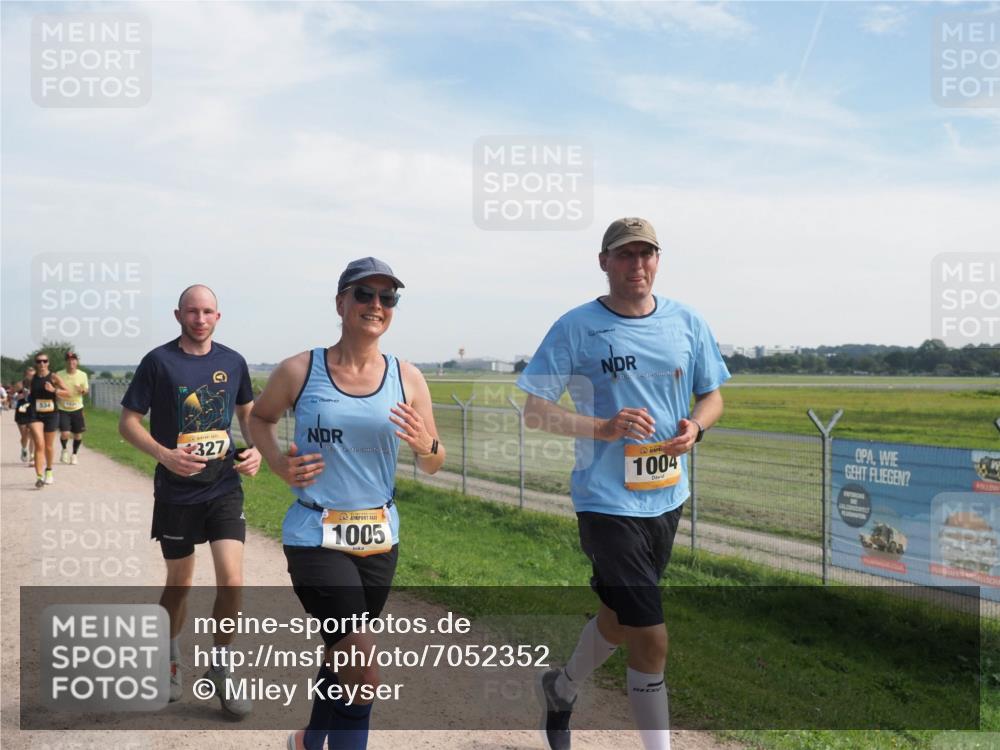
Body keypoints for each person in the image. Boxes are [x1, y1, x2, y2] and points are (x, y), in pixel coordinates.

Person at [517, 217, 730, 750]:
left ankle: (561, 687)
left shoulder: (687, 321)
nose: (637, 264)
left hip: (667, 497)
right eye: (625, 254)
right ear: (604, 262)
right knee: (651, 637)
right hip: (606, 502)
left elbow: (713, 395)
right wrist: (603, 428)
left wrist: (696, 427)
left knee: (617, 619)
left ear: (657, 260)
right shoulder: (576, 327)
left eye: (646, 253)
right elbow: (536, 411)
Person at [248, 257, 445, 750]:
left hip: (379, 537)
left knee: (342, 655)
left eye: (387, 297)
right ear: (341, 303)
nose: (376, 304)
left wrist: (426, 445)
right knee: (362, 667)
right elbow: (260, 418)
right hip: (315, 534)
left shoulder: (408, 377)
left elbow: (434, 461)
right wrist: (278, 463)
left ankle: (309, 740)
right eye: (364, 294)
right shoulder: (300, 369)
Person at [118, 284, 262, 716]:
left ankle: (221, 666)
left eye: (208, 312)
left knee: (232, 581)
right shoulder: (158, 361)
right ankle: (169, 658)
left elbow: (247, 412)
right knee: (179, 584)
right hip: (176, 492)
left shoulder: (233, 362)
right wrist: (164, 455)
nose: (200, 319)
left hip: (223, 487)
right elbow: (128, 423)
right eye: (192, 311)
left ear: (218, 316)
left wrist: (256, 448)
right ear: (178, 315)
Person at [28, 353, 69, 488]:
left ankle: (49, 470)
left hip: (51, 414)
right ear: (36, 363)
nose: (42, 364)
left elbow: (67, 393)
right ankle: (39, 477)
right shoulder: (32, 378)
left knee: (48, 446)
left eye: (44, 361)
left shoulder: (53, 377)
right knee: (39, 444)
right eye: (39, 361)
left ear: (48, 363)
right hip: (35, 414)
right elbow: (25, 390)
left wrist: (54, 390)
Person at [56, 351, 89, 465]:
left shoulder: (82, 375)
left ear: (77, 362)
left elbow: (86, 390)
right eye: (69, 360)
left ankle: (74, 454)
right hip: (63, 408)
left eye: (74, 360)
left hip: (77, 408)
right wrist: (58, 393)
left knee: (78, 434)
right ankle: (64, 450)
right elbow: (54, 388)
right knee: (65, 433)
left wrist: (82, 390)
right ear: (66, 362)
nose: (71, 362)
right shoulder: (59, 374)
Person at [14, 367, 35, 463]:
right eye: (29, 374)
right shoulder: (19, 384)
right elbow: (11, 396)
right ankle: (24, 449)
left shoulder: (37, 384)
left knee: (33, 434)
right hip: (21, 411)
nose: (31, 377)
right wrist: (19, 396)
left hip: (33, 411)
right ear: (25, 375)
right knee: (24, 435)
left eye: (33, 375)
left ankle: (32, 456)